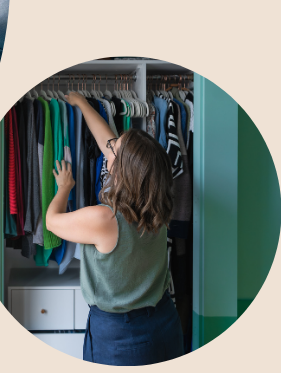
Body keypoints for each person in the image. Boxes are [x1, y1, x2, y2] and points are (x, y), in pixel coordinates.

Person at [45, 92, 184, 365]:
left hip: (124, 337)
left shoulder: (105, 220)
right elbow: (106, 141)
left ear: (122, 171)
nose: (108, 151)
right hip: (166, 322)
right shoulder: (157, 202)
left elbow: (52, 221)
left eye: (113, 151)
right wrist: (82, 103)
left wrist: (64, 188)